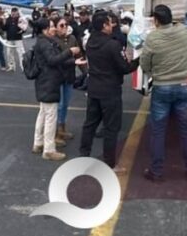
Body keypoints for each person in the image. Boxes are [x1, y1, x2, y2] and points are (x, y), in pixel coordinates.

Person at [140, 5, 187, 182]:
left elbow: (144, 63)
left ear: (156, 20)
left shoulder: (153, 38)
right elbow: (179, 24)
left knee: (158, 131)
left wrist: (151, 72)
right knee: (185, 129)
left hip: (162, 87)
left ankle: (156, 172)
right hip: (182, 86)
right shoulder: (182, 32)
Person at [79, 12, 140, 173]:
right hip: (110, 90)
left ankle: (84, 155)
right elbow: (124, 68)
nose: (111, 26)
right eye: (109, 23)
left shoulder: (91, 41)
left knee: (90, 124)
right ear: (104, 26)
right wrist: (138, 60)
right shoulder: (112, 45)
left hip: (94, 88)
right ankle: (110, 163)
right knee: (111, 128)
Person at [31, 17, 81, 161]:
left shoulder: (42, 42)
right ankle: (49, 149)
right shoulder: (45, 44)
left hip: (44, 82)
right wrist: (70, 52)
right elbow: (53, 60)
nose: (54, 28)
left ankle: (38, 142)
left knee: (43, 113)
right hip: (49, 83)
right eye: (52, 26)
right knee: (51, 116)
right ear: (45, 29)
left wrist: (71, 59)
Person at [55, 17, 80, 143]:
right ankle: (56, 131)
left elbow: (78, 55)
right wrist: (72, 59)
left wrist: (86, 72)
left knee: (65, 104)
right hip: (58, 77)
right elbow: (57, 60)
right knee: (59, 105)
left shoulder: (72, 38)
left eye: (66, 25)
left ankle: (62, 127)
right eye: (61, 25)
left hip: (69, 76)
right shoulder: (53, 40)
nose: (64, 27)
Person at [4, 7, 26, 72]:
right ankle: (11, 66)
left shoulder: (20, 19)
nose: (13, 13)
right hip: (9, 38)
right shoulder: (8, 19)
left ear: (17, 12)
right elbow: (4, 28)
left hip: (18, 38)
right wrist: (4, 23)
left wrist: (21, 31)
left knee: (21, 53)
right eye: (12, 12)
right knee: (9, 53)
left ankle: (23, 67)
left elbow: (24, 27)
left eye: (15, 12)